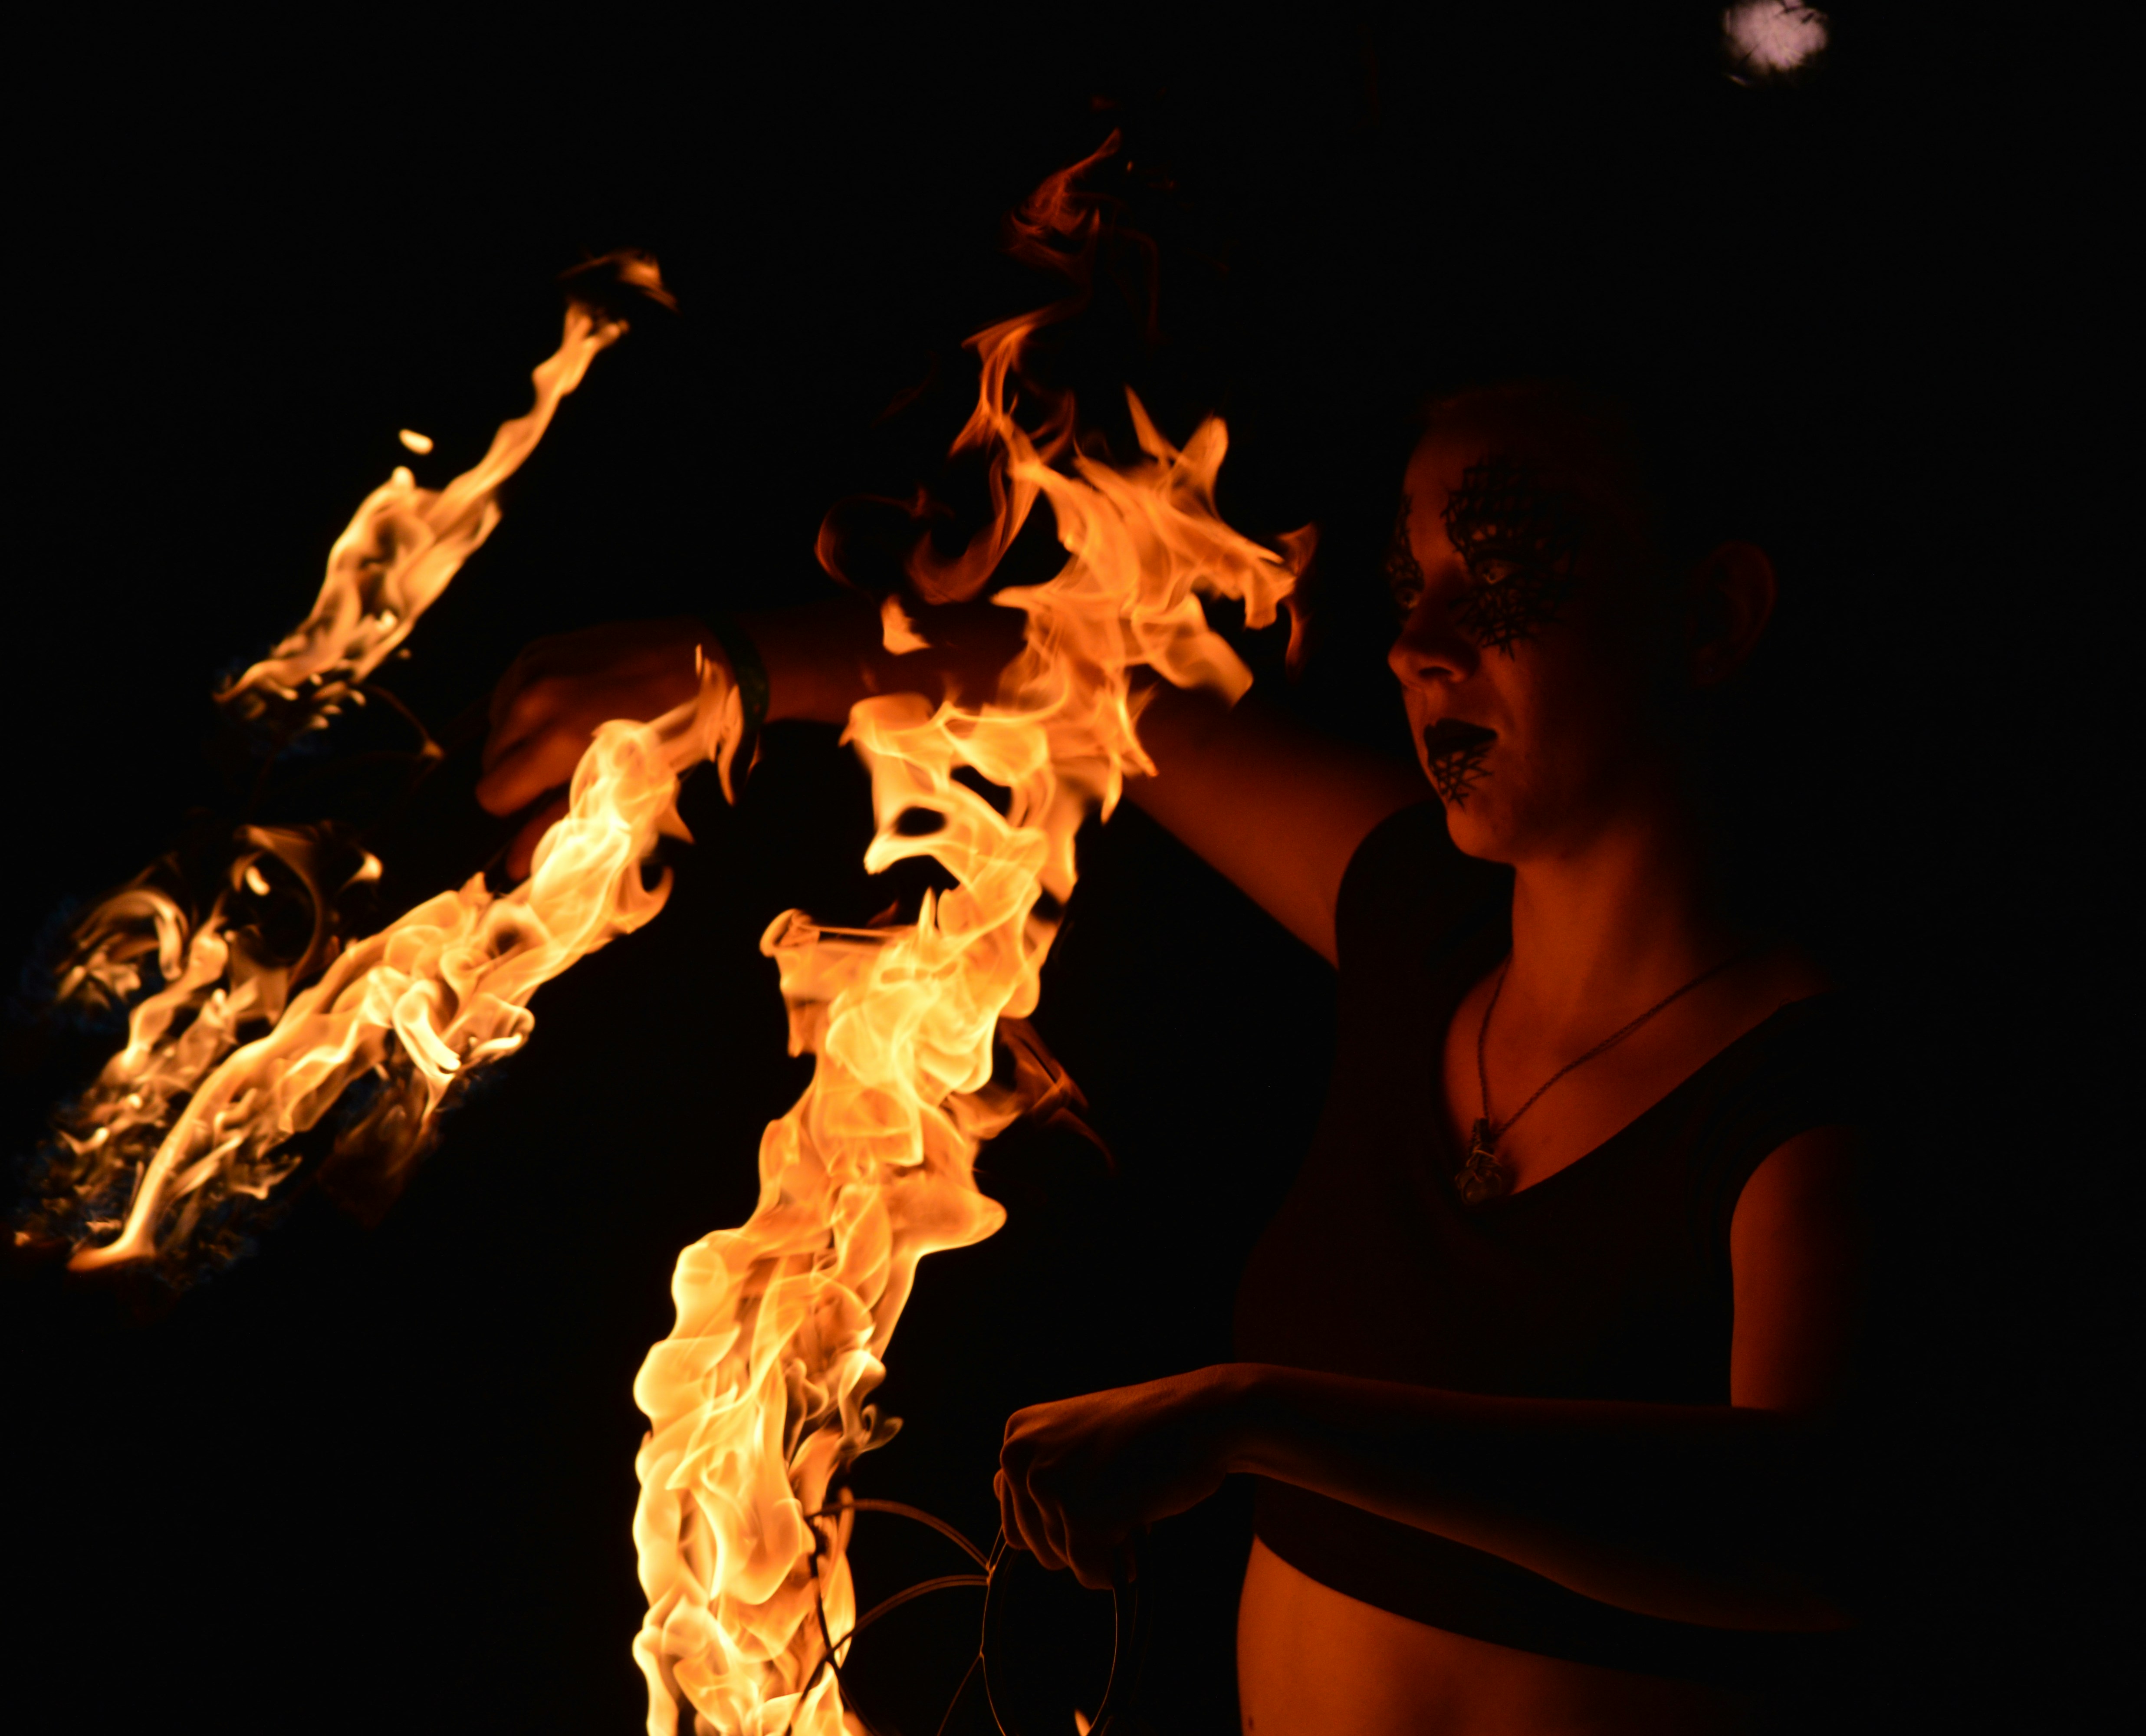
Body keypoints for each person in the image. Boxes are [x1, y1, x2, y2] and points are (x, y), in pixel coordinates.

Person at [479, 372, 1877, 1733]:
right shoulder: (1422, 932)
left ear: (1710, 616)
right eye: (1411, 582)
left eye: (1503, 573)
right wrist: (724, 669)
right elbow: (1083, 704)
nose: (1418, 645)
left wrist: (1258, 1418)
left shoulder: (1810, 1092)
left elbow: (1818, 1531)